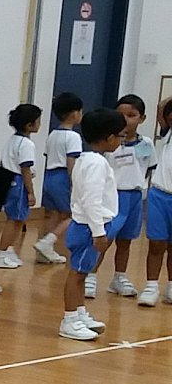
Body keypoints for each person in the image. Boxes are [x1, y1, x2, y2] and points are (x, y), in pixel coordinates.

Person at [58, 108, 126, 341]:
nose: (121, 141)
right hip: (89, 228)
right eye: (120, 136)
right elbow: (91, 200)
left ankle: (79, 314)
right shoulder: (96, 163)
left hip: (88, 226)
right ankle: (69, 320)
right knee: (77, 274)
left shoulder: (87, 159)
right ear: (110, 137)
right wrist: (98, 232)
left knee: (83, 273)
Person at [95, 94, 149, 300]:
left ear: (142, 118)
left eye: (131, 115)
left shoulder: (146, 144)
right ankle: (90, 275)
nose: (125, 119)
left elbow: (148, 169)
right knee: (106, 238)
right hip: (113, 196)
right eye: (120, 114)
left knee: (125, 241)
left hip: (134, 196)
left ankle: (119, 277)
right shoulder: (110, 142)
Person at [33, 92, 84, 265]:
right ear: (74, 113)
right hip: (62, 177)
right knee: (73, 214)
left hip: (49, 176)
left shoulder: (53, 134)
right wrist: (75, 182)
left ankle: (44, 251)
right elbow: (71, 161)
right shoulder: (73, 137)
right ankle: (47, 242)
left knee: (52, 214)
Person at [0, 104, 41, 269]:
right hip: (18, 183)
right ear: (29, 125)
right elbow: (25, 168)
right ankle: (1, 253)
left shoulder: (13, 140)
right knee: (14, 220)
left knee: (18, 219)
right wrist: (31, 192)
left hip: (9, 180)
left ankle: (9, 249)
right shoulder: (26, 144)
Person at [141, 97, 172, 306]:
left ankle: (171, 286)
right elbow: (161, 106)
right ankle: (151, 286)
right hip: (160, 194)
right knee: (156, 243)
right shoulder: (168, 133)